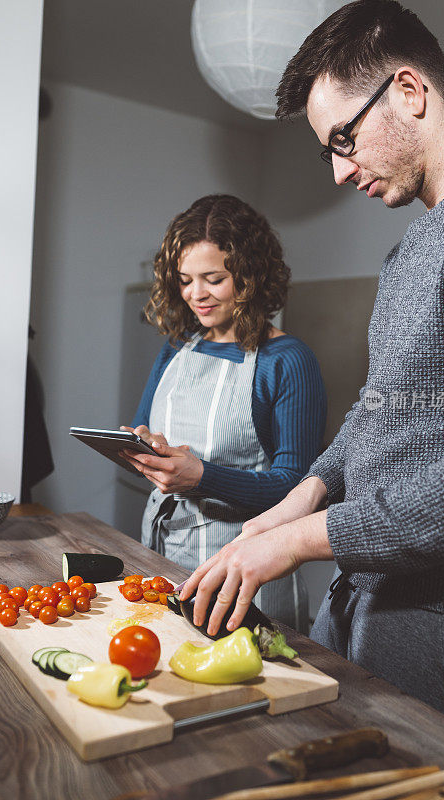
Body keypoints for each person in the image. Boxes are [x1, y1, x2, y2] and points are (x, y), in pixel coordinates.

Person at [179, 0, 444, 746]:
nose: (338, 171)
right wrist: (297, 500)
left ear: (409, 91)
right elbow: (379, 411)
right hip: (376, 595)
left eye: (345, 138)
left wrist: (297, 543)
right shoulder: (408, 253)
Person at [121, 194, 326, 633]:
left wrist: (202, 477)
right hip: (163, 559)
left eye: (213, 279)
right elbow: (146, 429)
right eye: (185, 279)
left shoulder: (287, 360)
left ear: (250, 277)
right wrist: (146, 450)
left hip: (246, 580)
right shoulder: (177, 348)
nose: (196, 295)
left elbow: (298, 489)